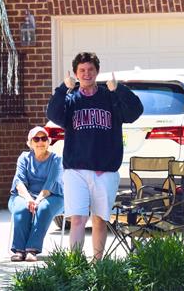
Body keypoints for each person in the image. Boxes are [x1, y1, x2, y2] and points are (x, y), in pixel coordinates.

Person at [47, 52, 143, 260]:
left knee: (99, 220)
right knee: (78, 219)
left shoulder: (110, 97)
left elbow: (134, 112)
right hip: (76, 170)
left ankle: (98, 265)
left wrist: (119, 89)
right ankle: (75, 263)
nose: (87, 74)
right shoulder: (71, 99)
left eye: (90, 69)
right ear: (76, 73)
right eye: (82, 70)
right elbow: (53, 114)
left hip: (105, 170)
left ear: (97, 72)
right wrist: (64, 88)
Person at [8, 126, 64, 262]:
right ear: (30, 143)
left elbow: (49, 185)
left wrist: (37, 201)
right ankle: (19, 249)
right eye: (36, 139)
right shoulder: (24, 158)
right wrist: (28, 199)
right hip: (24, 195)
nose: (40, 142)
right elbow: (19, 183)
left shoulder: (56, 159)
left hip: (52, 196)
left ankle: (32, 249)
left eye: (44, 138)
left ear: (49, 141)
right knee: (22, 208)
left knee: (43, 208)